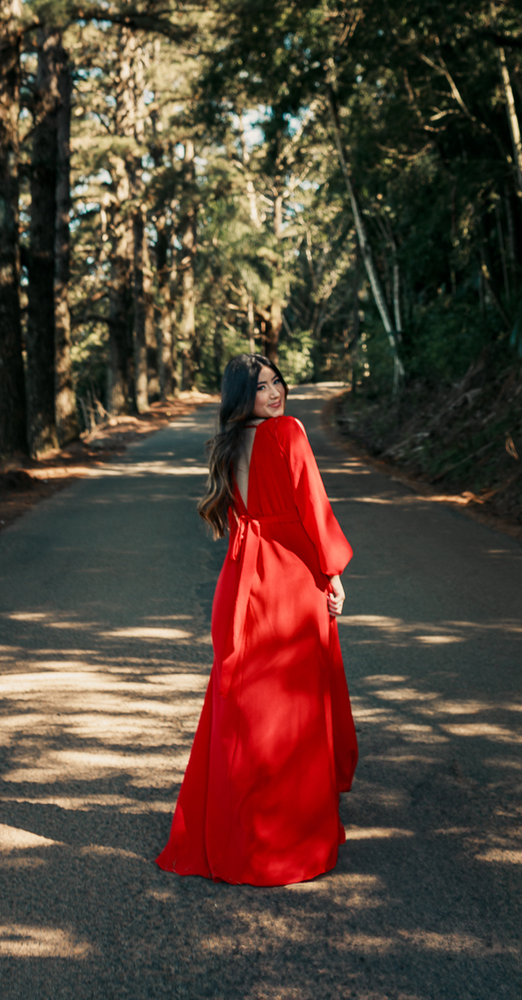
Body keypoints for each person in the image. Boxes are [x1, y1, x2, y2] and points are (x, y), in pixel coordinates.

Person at [156, 354, 357, 885]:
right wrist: (332, 572)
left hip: (242, 581)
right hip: (290, 580)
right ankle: (289, 843)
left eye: (276, 383)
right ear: (241, 397)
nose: (274, 393)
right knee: (293, 713)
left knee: (248, 713)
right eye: (260, 387)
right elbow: (314, 507)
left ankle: (241, 836)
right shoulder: (287, 433)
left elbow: (241, 516)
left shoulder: (227, 447)